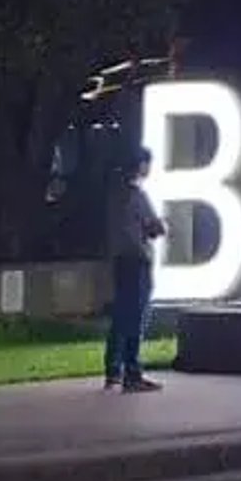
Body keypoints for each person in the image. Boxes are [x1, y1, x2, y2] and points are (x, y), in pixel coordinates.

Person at [104, 148, 166, 393]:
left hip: (120, 260)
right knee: (136, 317)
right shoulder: (136, 195)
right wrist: (162, 226)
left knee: (120, 317)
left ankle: (113, 371)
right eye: (147, 164)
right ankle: (133, 373)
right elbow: (154, 228)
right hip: (138, 260)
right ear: (141, 165)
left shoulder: (114, 195)